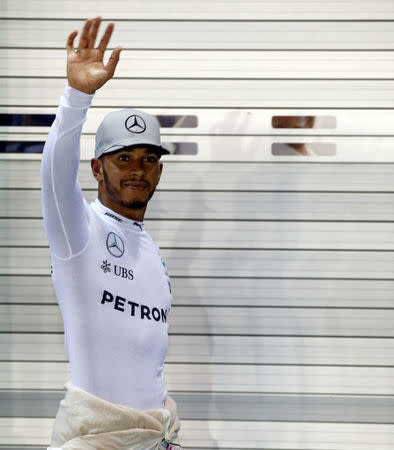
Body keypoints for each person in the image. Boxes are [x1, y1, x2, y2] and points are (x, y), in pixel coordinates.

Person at [41, 17, 181, 449]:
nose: (138, 169)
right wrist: (77, 96)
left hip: (156, 434)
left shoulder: (152, 253)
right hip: (95, 436)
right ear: (98, 168)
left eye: (149, 158)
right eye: (123, 158)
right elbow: (53, 176)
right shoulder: (78, 231)